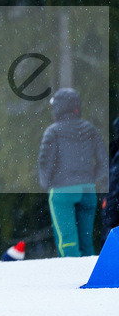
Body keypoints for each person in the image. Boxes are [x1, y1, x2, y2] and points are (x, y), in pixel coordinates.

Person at [37, 88, 108, 257]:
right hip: (87, 191)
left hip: (62, 192)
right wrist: (90, 179)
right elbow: (104, 163)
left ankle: (72, 279)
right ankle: (90, 279)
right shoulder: (90, 129)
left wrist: (47, 184)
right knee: (86, 241)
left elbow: (44, 162)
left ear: (58, 108)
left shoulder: (53, 132)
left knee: (67, 241)